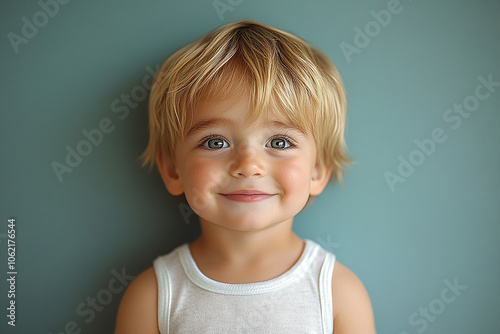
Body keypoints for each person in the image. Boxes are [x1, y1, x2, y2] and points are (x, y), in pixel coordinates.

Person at [115, 20, 376, 333]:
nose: (249, 165)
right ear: (173, 170)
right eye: (215, 142)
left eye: (279, 142)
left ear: (317, 170)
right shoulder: (153, 297)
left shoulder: (338, 294)